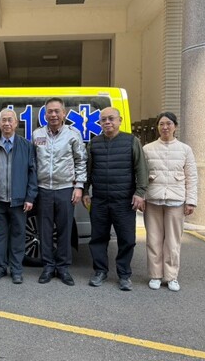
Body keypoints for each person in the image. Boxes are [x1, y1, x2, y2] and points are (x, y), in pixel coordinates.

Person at [83, 107, 148, 291]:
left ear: (119, 120)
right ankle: (100, 271)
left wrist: (140, 193)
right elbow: (88, 170)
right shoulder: (94, 143)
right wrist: (86, 191)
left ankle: (124, 275)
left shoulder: (131, 141)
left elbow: (141, 169)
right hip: (100, 200)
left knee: (127, 239)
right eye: (103, 120)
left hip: (124, 201)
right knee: (98, 238)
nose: (107, 122)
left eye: (111, 118)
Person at [32, 98, 87, 286]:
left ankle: (63, 267)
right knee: (44, 231)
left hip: (65, 189)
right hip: (43, 190)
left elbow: (81, 160)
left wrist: (79, 186)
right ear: (45, 115)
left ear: (64, 113)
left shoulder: (73, 134)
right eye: (50, 111)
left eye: (57, 111)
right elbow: (33, 163)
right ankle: (48, 266)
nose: (53, 115)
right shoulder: (37, 134)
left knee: (65, 230)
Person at [0, 109, 37, 284]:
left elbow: (33, 173)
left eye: (10, 120)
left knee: (18, 235)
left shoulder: (26, 146)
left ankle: (17, 270)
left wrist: (30, 197)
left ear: (16, 123)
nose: (6, 123)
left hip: (19, 201)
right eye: (3, 120)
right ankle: (0, 268)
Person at [143, 112, 197, 292]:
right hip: (153, 199)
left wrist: (191, 201)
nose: (165, 127)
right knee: (153, 239)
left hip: (176, 200)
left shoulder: (185, 149)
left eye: (168, 124)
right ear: (157, 127)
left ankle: (171, 276)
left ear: (175, 126)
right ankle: (155, 275)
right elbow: (141, 176)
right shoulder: (147, 149)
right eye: (161, 124)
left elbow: (191, 177)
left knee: (173, 241)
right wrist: (141, 197)